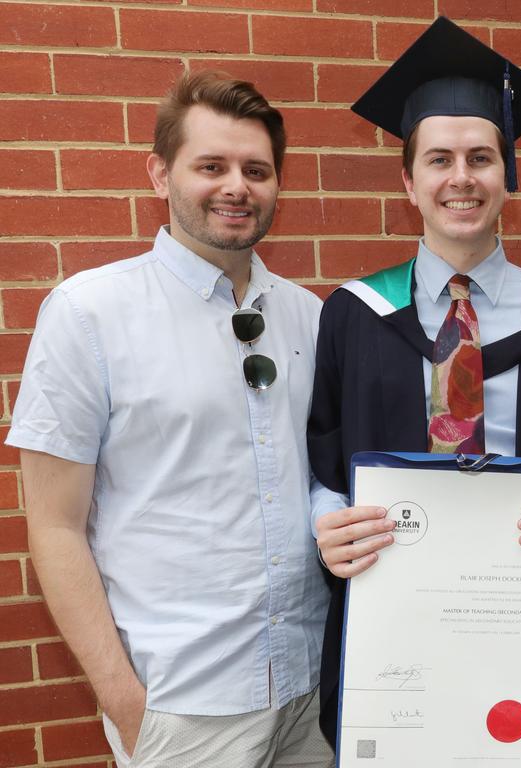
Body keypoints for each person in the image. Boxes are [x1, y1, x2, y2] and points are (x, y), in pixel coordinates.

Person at [307, 17, 521, 768]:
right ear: (408, 181)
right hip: (396, 610)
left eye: (482, 158)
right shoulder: (354, 314)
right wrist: (326, 527)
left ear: (508, 172)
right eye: (440, 159)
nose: (462, 178)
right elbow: (323, 460)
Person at [7, 71, 340, 767]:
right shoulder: (89, 313)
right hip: (181, 708)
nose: (236, 187)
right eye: (210, 166)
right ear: (160, 173)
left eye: (257, 169)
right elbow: (54, 524)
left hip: (313, 696)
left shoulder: (312, 317)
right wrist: (125, 702)